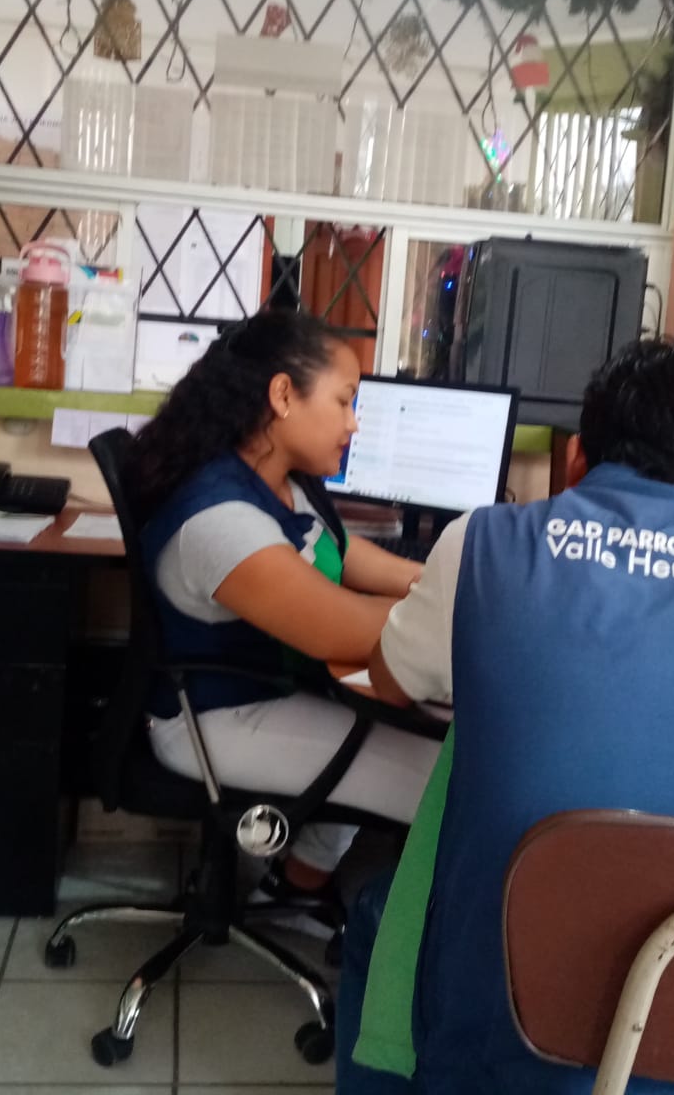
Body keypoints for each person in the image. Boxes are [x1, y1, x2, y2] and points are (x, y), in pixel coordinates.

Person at [337, 338, 674, 1094]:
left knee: (382, 913)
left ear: (578, 456)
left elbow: (390, 679)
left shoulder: (483, 542)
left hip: (527, 1006)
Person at [126, 310, 442, 919]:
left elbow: (339, 553)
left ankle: (296, 882)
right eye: (345, 401)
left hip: (274, 687)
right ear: (282, 395)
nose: (353, 422)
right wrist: (467, 611)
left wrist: (432, 579)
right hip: (219, 719)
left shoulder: (276, 479)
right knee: (449, 782)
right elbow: (340, 627)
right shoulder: (222, 520)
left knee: (420, 732)